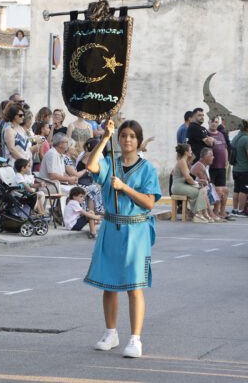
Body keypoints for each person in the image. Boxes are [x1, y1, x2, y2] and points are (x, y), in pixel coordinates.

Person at [84, 119, 161, 358]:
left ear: (138, 141)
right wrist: (105, 137)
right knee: (108, 285)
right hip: (110, 227)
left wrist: (124, 188)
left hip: (136, 231)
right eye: (123, 135)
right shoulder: (110, 164)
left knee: (134, 287)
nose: (127, 140)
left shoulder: (147, 169)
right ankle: (110, 332)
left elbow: (149, 202)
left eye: (132, 136)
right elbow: (91, 165)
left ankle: (135, 339)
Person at [171, 143, 210, 223]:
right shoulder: (182, 162)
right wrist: (196, 183)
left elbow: (187, 178)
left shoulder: (182, 161)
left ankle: (200, 213)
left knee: (202, 190)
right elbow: (187, 178)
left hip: (180, 185)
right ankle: (199, 214)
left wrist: (197, 182)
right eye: (190, 150)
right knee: (201, 190)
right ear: (186, 152)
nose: (191, 151)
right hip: (178, 186)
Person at [230, 120, 248, 216]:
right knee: (243, 190)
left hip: (235, 168)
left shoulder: (235, 138)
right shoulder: (246, 139)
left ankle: (235, 209)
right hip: (245, 169)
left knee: (236, 189)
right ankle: (241, 210)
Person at [190, 147, 222, 222]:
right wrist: (211, 186)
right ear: (205, 157)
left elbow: (208, 181)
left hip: (201, 187)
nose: (213, 157)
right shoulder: (199, 166)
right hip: (197, 188)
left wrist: (211, 185)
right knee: (218, 192)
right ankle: (211, 214)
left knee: (223, 190)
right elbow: (204, 183)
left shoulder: (205, 166)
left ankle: (217, 213)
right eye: (211, 155)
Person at [207, 116, 230, 219]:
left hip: (221, 167)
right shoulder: (206, 134)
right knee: (215, 191)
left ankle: (222, 211)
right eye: (212, 121)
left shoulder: (221, 134)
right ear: (208, 122)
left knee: (223, 190)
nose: (214, 124)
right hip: (211, 167)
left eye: (216, 122)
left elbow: (225, 148)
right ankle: (214, 212)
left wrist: (226, 160)